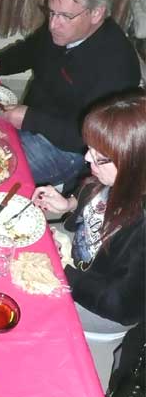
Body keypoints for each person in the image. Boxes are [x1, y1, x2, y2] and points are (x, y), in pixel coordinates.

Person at [0, 0, 141, 187]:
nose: (53, 24)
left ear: (96, 13)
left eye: (64, 16)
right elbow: (32, 49)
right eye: (51, 12)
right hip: (33, 121)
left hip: (70, 151)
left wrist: (32, 119)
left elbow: (92, 139)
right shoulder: (64, 27)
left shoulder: (116, 65)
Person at [32, 88, 145, 334]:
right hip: (81, 260)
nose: (85, 158)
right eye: (90, 149)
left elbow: (123, 305)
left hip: (98, 301)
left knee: (27, 305)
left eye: (100, 157)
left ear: (134, 163)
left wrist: (63, 272)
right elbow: (96, 196)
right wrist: (69, 204)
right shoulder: (117, 178)